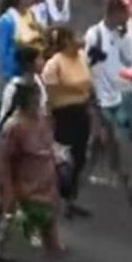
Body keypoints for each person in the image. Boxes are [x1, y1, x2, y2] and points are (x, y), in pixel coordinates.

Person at [0, 81, 78, 262]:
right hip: (28, 184)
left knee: (36, 220)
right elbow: (6, 160)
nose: (38, 104)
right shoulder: (15, 128)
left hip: (46, 181)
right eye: (34, 100)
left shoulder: (43, 120)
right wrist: (9, 188)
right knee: (44, 224)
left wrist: (59, 157)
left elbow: (49, 145)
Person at [84, 0, 132, 207]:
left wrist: (126, 35)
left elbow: (129, 56)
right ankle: (128, 188)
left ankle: (77, 182)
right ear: (115, 13)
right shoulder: (94, 35)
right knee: (115, 142)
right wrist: (92, 105)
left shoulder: (119, 35)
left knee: (99, 146)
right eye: (125, 14)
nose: (127, 17)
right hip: (101, 100)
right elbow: (86, 66)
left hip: (116, 97)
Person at [43, 27, 94, 219]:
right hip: (63, 114)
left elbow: (88, 84)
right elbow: (50, 95)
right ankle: (55, 196)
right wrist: (48, 121)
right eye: (75, 37)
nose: (80, 40)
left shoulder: (82, 57)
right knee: (63, 160)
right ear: (65, 42)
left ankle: (70, 199)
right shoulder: (54, 65)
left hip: (81, 111)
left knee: (80, 156)